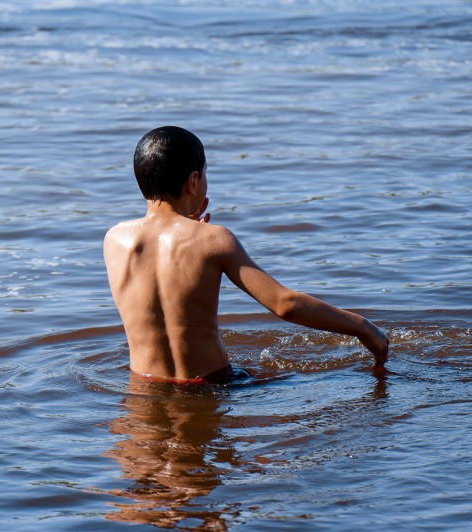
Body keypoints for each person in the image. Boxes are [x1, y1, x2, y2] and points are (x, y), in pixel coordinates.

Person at [103, 126, 389, 384]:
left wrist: (191, 229)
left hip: (146, 388)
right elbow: (284, 303)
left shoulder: (115, 239)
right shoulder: (213, 238)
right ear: (193, 181)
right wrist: (362, 327)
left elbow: (163, 266)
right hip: (212, 385)